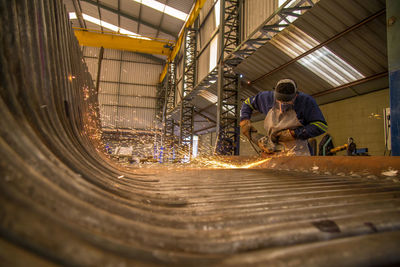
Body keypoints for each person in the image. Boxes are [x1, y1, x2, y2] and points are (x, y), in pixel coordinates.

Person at [240, 78, 327, 156]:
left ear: (296, 95)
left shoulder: (306, 101)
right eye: (280, 101)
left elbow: (320, 126)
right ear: (275, 94)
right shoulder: (266, 97)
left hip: (297, 151)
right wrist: (244, 120)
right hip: (272, 148)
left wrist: (294, 133)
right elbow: (247, 103)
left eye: (287, 101)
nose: (282, 105)